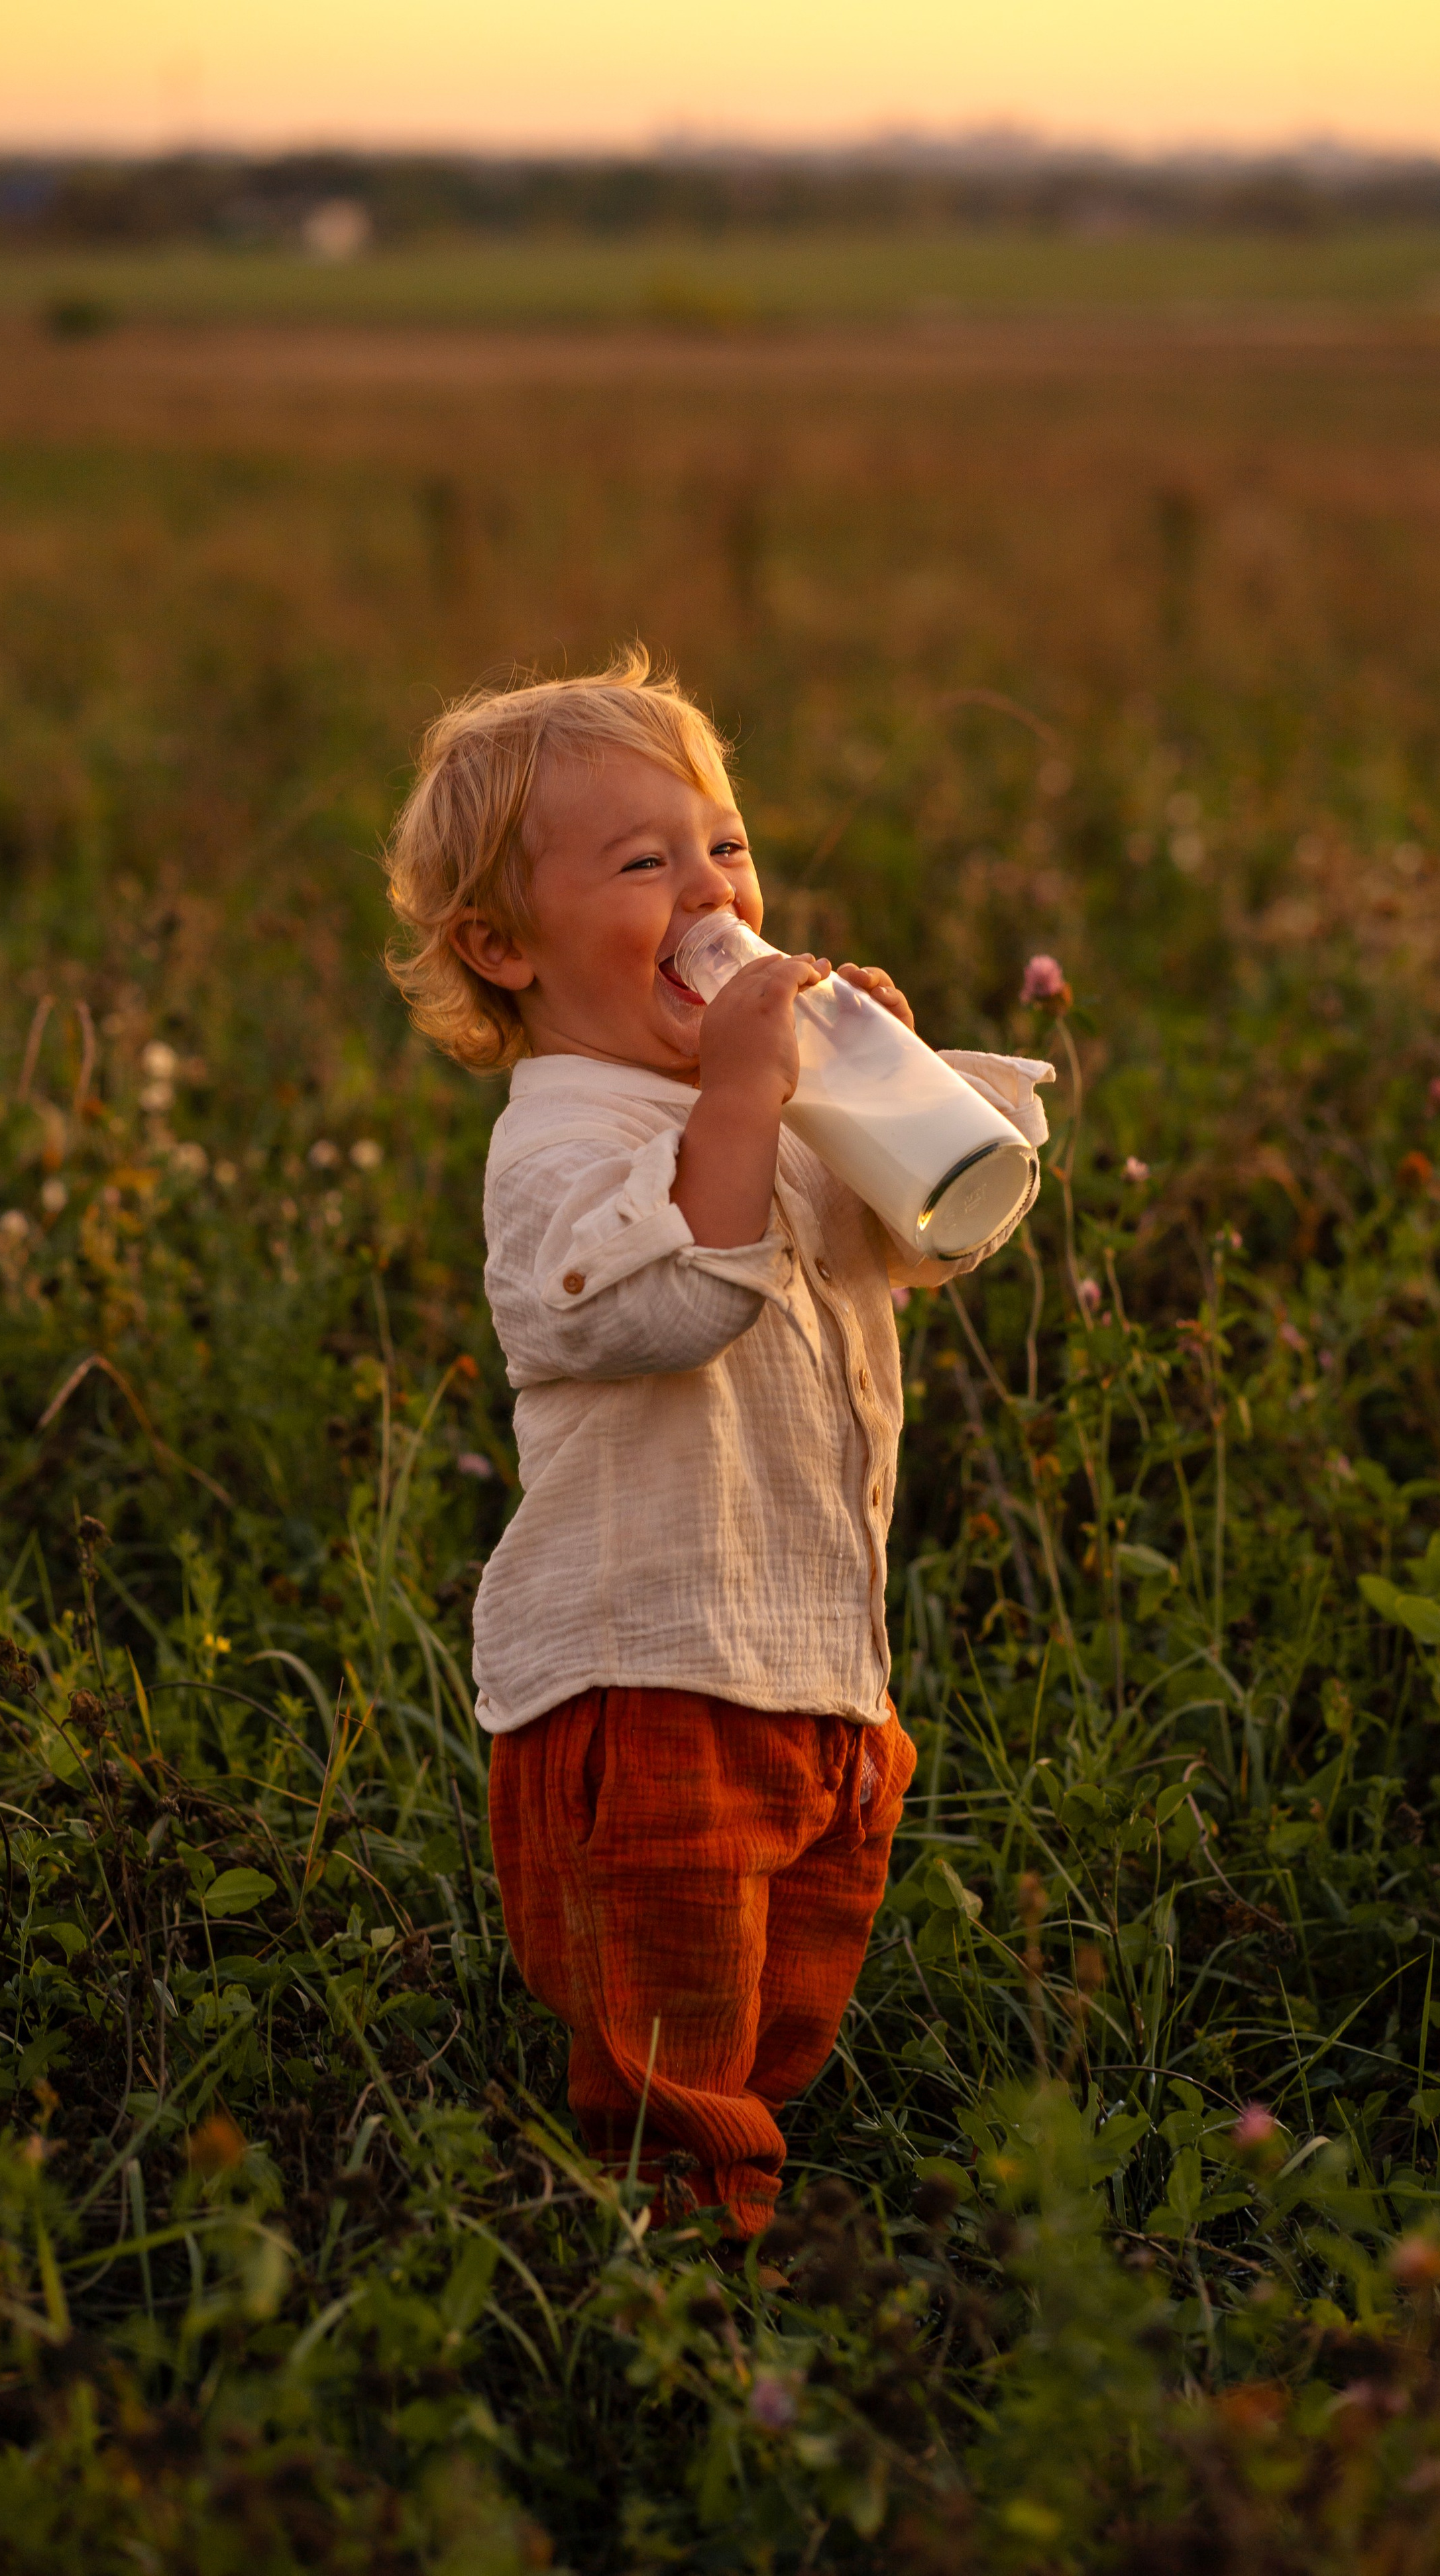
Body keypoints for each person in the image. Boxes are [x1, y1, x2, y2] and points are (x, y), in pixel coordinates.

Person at [383, 650, 1050, 2237]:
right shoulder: (560, 1138)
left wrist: (880, 1090)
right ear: (502, 947)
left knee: (781, 2002)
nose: (708, 890)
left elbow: (931, 1241)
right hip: (647, 1680)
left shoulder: (769, 1101)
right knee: (675, 2037)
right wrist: (749, 1088)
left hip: (812, 1664)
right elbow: (674, 1302)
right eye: (641, 863)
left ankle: (747, 2183)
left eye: (725, 845)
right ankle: (676, 2268)